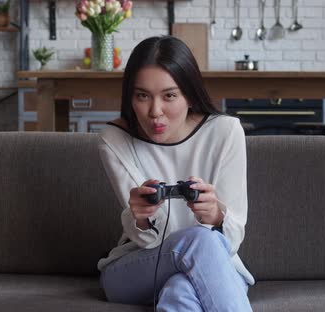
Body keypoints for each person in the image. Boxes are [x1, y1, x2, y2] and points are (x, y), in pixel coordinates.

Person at [97, 36, 254, 311]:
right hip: (136, 271)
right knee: (199, 241)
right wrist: (141, 219)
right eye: (142, 96)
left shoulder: (225, 132)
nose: (155, 112)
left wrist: (216, 215)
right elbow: (149, 240)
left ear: (190, 95)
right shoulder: (115, 138)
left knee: (180, 291)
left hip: (216, 266)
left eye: (169, 95)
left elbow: (231, 239)